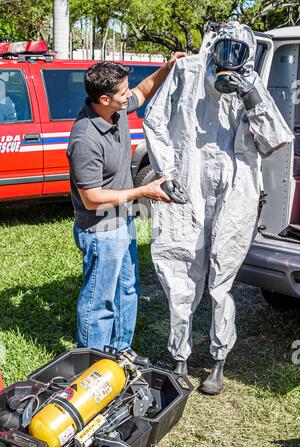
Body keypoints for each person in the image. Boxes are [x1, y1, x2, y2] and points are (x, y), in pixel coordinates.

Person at [143, 22, 294, 393]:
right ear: (212, 50)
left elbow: (276, 140)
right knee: (180, 269)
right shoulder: (187, 72)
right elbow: (155, 119)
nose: (227, 61)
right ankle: (179, 356)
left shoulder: (251, 83)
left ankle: (218, 360)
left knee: (221, 277)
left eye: (236, 54)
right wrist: (166, 169)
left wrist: (253, 98)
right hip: (188, 182)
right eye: (222, 52)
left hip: (236, 188)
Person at [67, 55, 186, 355]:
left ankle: (121, 351)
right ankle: (93, 361)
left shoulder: (115, 111)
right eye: (123, 92)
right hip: (100, 229)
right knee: (99, 300)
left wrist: (168, 67)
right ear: (104, 98)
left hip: (122, 221)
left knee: (127, 291)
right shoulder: (85, 139)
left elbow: (144, 90)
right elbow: (91, 198)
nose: (128, 95)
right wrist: (143, 190)